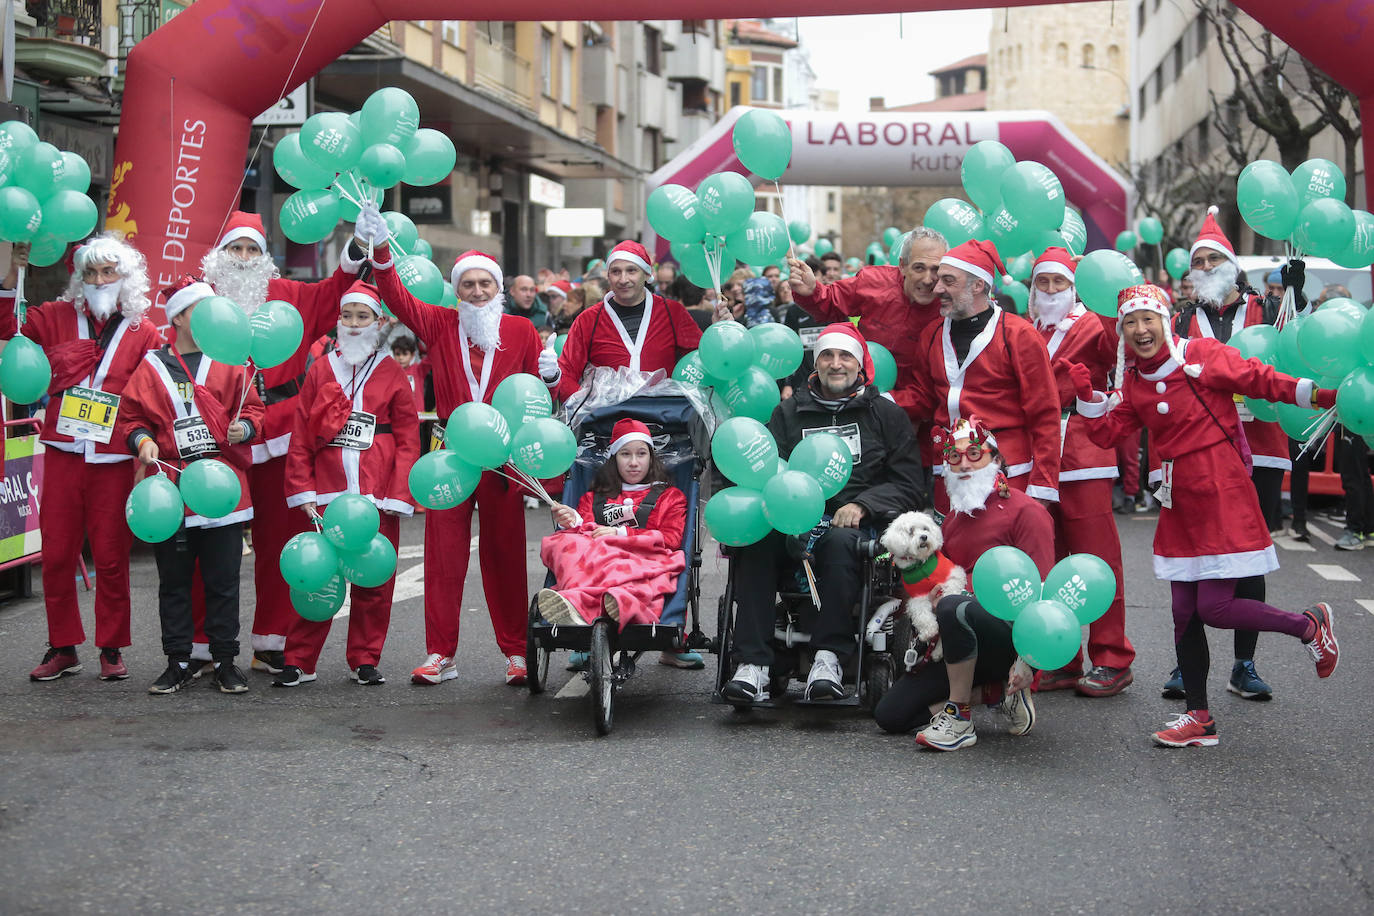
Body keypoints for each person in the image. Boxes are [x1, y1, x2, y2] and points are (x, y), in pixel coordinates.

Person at [1071, 283, 1340, 747]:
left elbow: (1259, 379)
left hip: (1220, 490)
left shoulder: (1200, 354)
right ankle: (1199, 717)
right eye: (1130, 323)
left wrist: (1320, 395)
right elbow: (1109, 434)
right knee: (1183, 613)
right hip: (1179, 499)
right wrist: (1089, 398)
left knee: (1214, 608)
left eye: (1147, 319)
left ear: (1164, 320)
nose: (1140, 329)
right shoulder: (1135, 379)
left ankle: (1308, 626)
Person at [356, 204, 543, 686]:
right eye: (468, 285)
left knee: (505, 556)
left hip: (502, 458)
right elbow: (397, 297)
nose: (477, 292)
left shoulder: (522, 331)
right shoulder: (440, 323)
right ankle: (441, 653)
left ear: (499, 290)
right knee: (443, 557)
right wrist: (380, 248)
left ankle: (517, 652)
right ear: (456, 291)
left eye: (485, 284)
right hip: (450, 455)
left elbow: (539, 396)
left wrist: (552, 378)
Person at [722, 323, 923, 705]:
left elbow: (909, 483)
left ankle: (828, 659)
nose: (835, 363)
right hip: (793, 519)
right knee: (756, 542)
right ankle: (752, 665)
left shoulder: (885, 415)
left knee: (840, 542)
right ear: (816, 364)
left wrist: (864, 504)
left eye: (845, 356)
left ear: (860, 364)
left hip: (855, 522)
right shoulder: (788, 413)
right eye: (827, 355)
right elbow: (768, 471)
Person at [200, 211, 365, 674]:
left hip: (281, 432)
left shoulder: (289, 294)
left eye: (252, 249)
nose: (244, 258)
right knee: (209, 541)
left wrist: (357, 248)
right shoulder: (202, 300)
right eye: (236, 248)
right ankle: (200, 644)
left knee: (280, 540)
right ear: (220, 255)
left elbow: (333, 292)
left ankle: (270, 640)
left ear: (264, 256)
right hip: (219, 431)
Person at [0, 236, 163, 682]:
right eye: (90, 272)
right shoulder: (55, 316)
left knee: (110, 557)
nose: (99, 280)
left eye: (108, 271)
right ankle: (63, 646)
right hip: (63, 452)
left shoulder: (144, 332)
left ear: (125, 277)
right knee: (56, 554)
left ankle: (111, 646)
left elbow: (151, 396)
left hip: (112, 458)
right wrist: (11, 274)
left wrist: (146, 445)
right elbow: (8, 328)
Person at [1164, 206, 1300, 700]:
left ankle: (1245, 663)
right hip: (1198, 452)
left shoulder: (1268, 307)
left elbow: (1297, 346)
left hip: (1261, 447)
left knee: (1249, 559)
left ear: (1232, 266)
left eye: (1213, 260)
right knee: (1191, 559)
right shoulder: (1179, 320)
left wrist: (1299, 296)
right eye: (1197, 262)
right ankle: (1187, 666)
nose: (1204, 268)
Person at [118, 276, 266, 695]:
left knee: (223, 582)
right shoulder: (151, 366)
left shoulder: (231, 362)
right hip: (170, 487)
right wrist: (142, 442)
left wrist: (245, 427)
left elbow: (254, 410)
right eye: (200, 310)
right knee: (174, 583)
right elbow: (130, 418)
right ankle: (178, 661)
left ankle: (225, 661)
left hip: (222, 486)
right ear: (179, 318)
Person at [872, 418, 1050, 749]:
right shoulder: (953, 520)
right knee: (890, 715)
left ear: (996, 459)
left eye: (974, 454)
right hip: (955, 640)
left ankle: (959, 718)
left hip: (1005, 638)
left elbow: (1043, 595)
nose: (964, 464)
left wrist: (1030, 663)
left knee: (954, 605)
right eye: (955, 457)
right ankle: (996, 693)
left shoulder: (1027, 511)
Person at [277, 280, 420, 687]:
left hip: (376, 495)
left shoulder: (392, 371)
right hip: (326, 493)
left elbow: (408, 438)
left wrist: (398, 494)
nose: (354, 324)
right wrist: (302, 491)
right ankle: (299, 659)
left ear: (379, 322)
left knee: (374, 580)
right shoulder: (321, 368)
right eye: (347, 316)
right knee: (317, 576)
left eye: (363, 316)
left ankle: (365, 658)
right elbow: (301, 435)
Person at [1026, 248, 1136, 697]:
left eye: (1060, 283)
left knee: (1097, 559)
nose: (1051, 290)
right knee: (1050, 559)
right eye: (1043, 282)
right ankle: (1062, 656)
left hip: (1084, 454)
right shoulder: (1028, 328)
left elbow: (1119, 346)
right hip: (1038, 454)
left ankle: (1112, 657)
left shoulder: (1093, 323)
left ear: (1076, 288)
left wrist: (1111, 304)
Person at [902, 239, 1062, 508]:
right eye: (939, 279)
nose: (937, 288)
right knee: (950, 537)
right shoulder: (932, 334)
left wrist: (1043, 486)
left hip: (1007, 472)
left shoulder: (1019, 335)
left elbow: (1045, 414)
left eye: (948, 281)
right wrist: (876, 398)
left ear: (977, 285)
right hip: (950, 472)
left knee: (1002, 537)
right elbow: (922, 398)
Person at [787, 227, 948, 432]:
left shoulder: (949, 307)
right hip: (858, 408)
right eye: (919, 268)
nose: (928, 279)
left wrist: (884, 402)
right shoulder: (873, 281)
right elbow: (831, 301)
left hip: (916, 422)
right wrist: (812, 291)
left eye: (936, 270)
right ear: (902, 265)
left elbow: (934, 388)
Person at [536, 419, 687, 627]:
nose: (633, 462)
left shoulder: (670, 497)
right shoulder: (593, 498)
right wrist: (571, 521)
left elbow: (671, 539)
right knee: (564, 541)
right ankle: (589, 602)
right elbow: (583, 534)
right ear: (614, 458)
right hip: (597, 563)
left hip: (642, 560)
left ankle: (599, 603)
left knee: (621, 567)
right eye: (625, 454)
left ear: (651, 457)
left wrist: (622, 535)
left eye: (641, 454)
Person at [544, 241, 712, 403]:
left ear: (647, 274)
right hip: (606, 419)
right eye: (616, 272)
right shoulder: (588, 319)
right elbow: (567, 372)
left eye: (631, 270)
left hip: (661, 416)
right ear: (608, 276)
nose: (623, 279)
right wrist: (584, 406)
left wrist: (717, 332)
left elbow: (700, 360)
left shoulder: (673, 312)